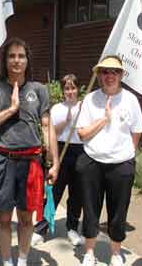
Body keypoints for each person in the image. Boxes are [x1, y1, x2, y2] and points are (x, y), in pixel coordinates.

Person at [0, 37, 59, 266]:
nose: (16, 60)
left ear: (27, 60)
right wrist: (11, 109)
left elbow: (47, 126)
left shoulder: (38, 89)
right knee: (3, 218)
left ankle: (22, 260)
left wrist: (55, 162)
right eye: (12, 55)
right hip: (2, 160)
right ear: (5, 59)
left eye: (21, 56)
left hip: (31, 162)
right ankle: (6, 261)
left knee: (26, 217)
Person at [76, 56, 142, 266]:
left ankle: (116, 253)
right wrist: (104, 119)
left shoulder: (130, 100)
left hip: (121, 165)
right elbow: (82, 134)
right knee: (90, 209)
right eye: (105, 71)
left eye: (114, 72)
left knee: (118, 211)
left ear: (121, 75)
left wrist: (128, 153)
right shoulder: (90, 100)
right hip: (92, 162)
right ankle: (89, 252)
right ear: (99, 75)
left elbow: (137, 131)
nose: (110, 76)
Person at [31, 74, 84, 246]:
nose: (70, 91)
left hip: (81, 151)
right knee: (53, 192)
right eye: (67, 88)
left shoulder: (85, 107)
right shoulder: (57, 109)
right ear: (63, 91)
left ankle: (72, 228)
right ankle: (41, 229)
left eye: (73, 88)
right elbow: (52, 133)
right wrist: (67, 121)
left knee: (77, 194)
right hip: (60, 150)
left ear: (78, 89)